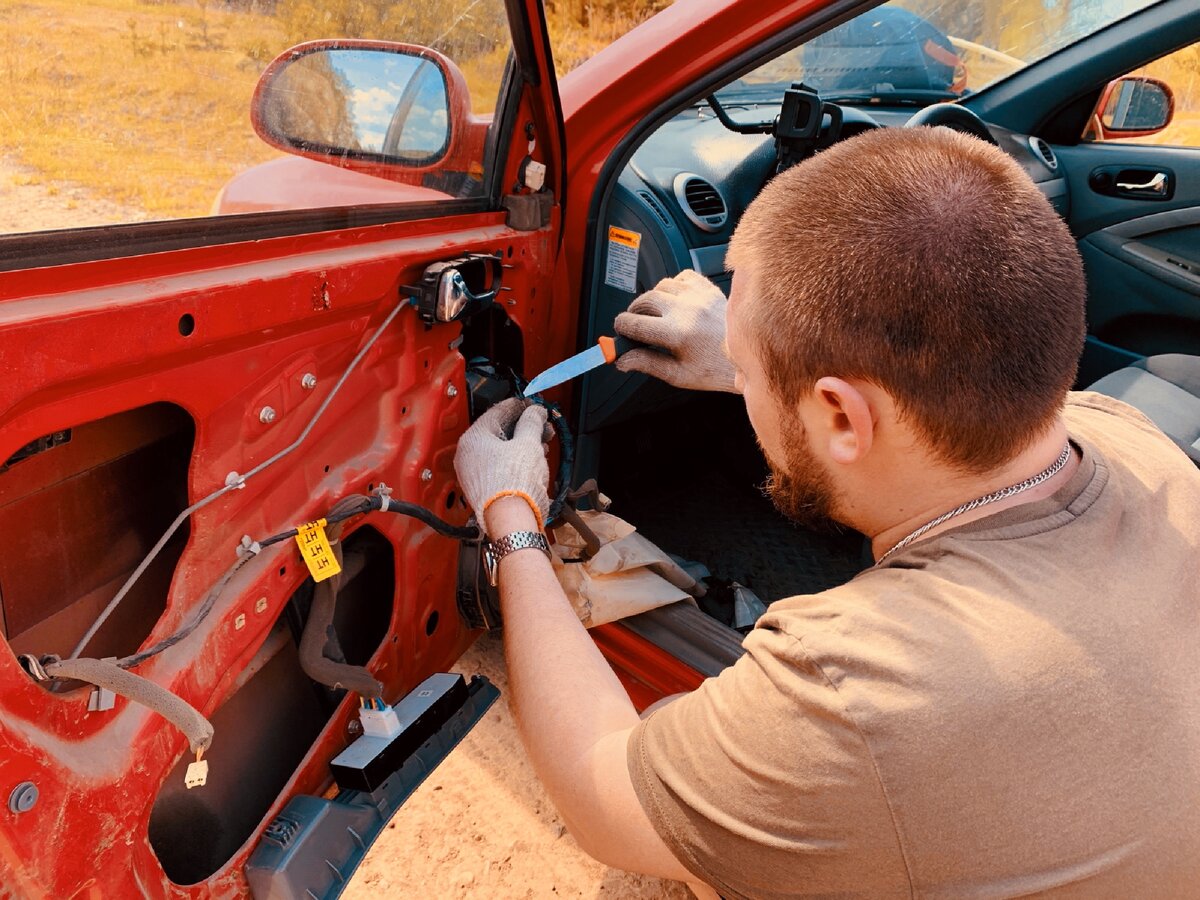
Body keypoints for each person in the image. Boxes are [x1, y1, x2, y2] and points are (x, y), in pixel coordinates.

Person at [452, 126, 1200, 898]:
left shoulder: (859, 690)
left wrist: (512, 513)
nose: (740, 377)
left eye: (744, 367)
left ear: (843, 416)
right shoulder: (1134, 441)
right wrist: (755, 360)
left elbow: (598, 794)